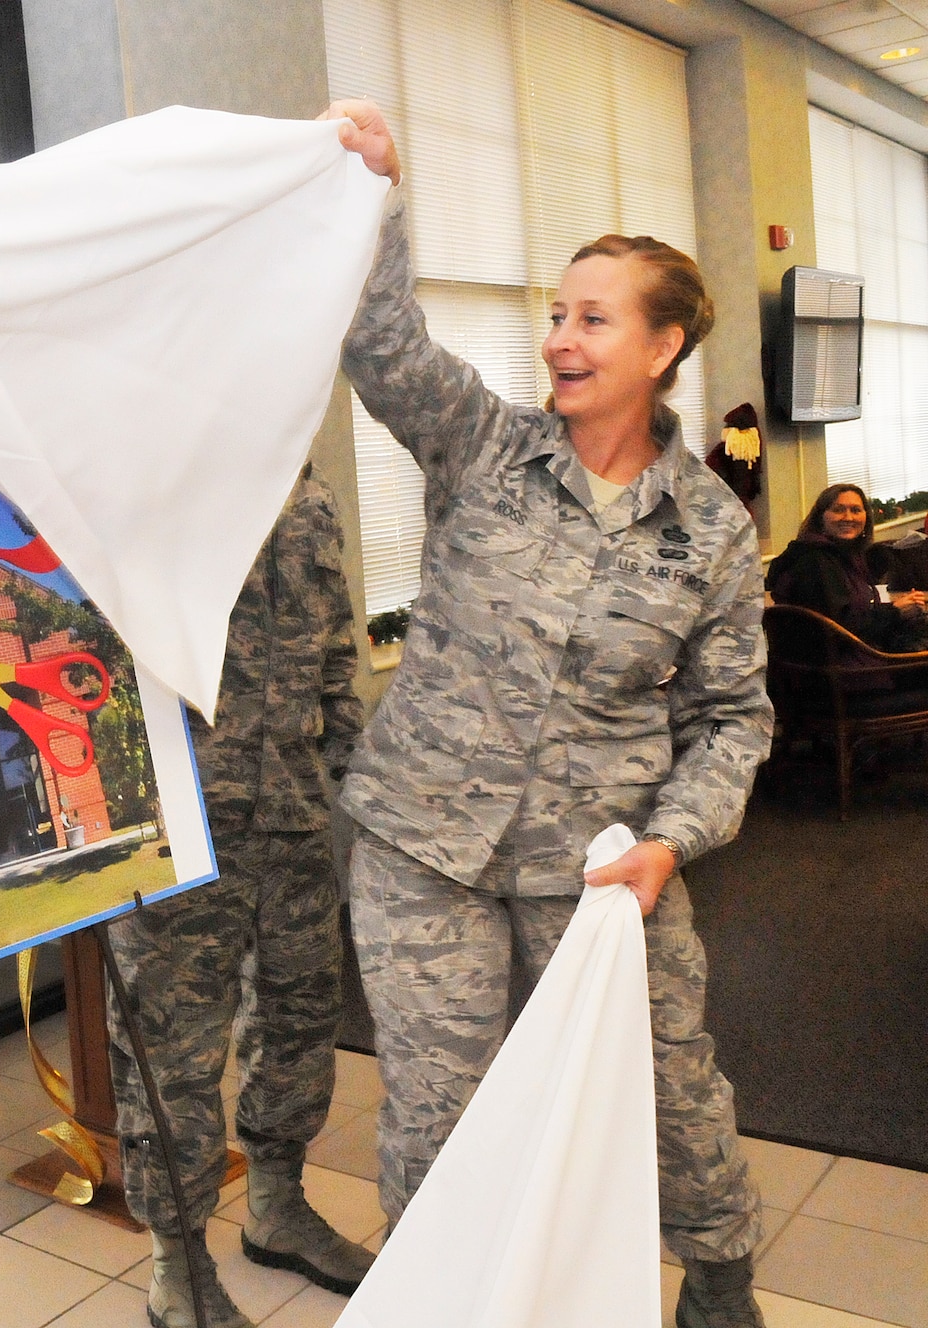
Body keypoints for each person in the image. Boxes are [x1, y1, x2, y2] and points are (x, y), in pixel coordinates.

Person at [325, 101, 774, 1328]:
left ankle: (721, 1279)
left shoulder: (710, 531)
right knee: (438, 1110)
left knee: (668, 1084)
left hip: (601, 866)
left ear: (661, 344)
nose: (557, 339)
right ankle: (447, 1299)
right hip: (425, 848)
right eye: (555, 315)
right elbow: (383, 345)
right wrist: (373, 193)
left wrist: (667, 840)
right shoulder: (479, 445)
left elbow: (734, 719)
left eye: (590, 318)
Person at [104, 464, 374, 1328]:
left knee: (298, 1018)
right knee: (172, 1053)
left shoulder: (310, 493)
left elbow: (334, 658)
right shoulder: (142, 479)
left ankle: (276, 1207)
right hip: (179, 825)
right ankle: (176, 1265)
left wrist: (363, 790)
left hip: (292, 811)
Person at [765, 483, 928, 652]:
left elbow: (851, 614)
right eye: (838, 510)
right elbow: (844, 626)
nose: (848, 517)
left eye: (856, 510)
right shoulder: (815, 561)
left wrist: (900, 608)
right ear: (820, 517)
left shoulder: (842, 555)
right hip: (845, 666)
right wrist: (895, 611)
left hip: (849, 653)